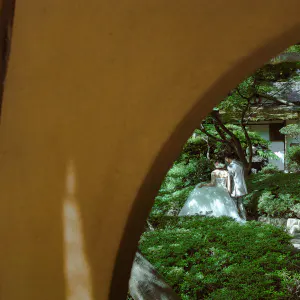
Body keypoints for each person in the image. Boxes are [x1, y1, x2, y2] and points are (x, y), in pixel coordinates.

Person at [178, 161, 245, 223]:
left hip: (216, 190)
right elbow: (229, 185)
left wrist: (203, 184)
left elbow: (212, 184)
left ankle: (215, 217)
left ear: (216, 166)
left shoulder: (214, 172)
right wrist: (229, 193)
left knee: (215, 203)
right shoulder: (226, 172)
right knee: (225, 205)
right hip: (223, 190)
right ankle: (229, 219)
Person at [224, 153, 248, 220]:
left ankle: (237, 219)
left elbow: (230, 179)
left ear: (227, 158)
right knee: (241, 203)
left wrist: (227, 187)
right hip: (242, 186)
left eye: (226, 159)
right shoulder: (240, 164)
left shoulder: (230, 167)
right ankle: (244, 218)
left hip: (235, 187)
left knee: (234, 203)